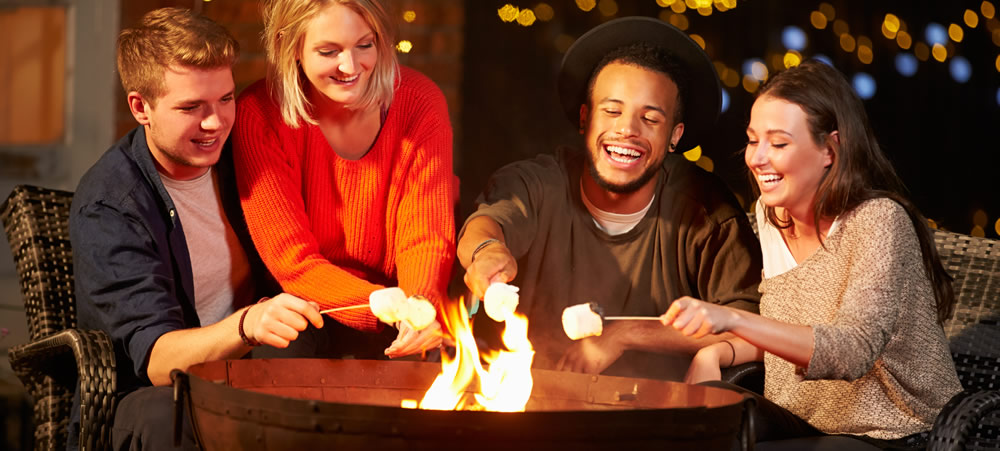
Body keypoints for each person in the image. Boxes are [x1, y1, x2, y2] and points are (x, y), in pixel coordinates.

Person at [661, 59, 962, 449]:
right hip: (803, 424)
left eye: (779, 143)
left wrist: (730, 318)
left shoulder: (879, 221)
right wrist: (717, 352)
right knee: (704, 418)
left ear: (829, 150)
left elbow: (851, 351)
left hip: (895, 433)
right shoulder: (770, 217)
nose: (757, 158)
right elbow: (786, 330)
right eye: (754, 139)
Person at [69, 8, 325, 450]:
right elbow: (157, 359)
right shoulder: (109, 205)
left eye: (225, 99)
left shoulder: (243, 149)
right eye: (191, 107)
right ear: (140, 107)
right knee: (165, 413)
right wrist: (247, 324)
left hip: (250, 370)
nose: (215, 123)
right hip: (153, 394)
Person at [458, 17, 762, 381]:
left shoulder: (707, 213)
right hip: (525, 408)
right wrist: (487, 251)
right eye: (612, 111)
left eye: (650, 118)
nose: (627, 130)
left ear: (674, 136)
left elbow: (750, 327)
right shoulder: (540, 182)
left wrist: (626, 334)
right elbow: (487, 223)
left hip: (656, 421)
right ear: (585, 118)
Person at [232, 0, 453, 359]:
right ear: (292, 47)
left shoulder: (419, 102)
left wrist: (418, 308)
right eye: (328, 51)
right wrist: (381, 308)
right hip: (301, 311)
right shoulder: (259, 114)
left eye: (365, 45)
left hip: (398, 306)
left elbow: (425, 235)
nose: (350, 66)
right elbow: (294, 262)